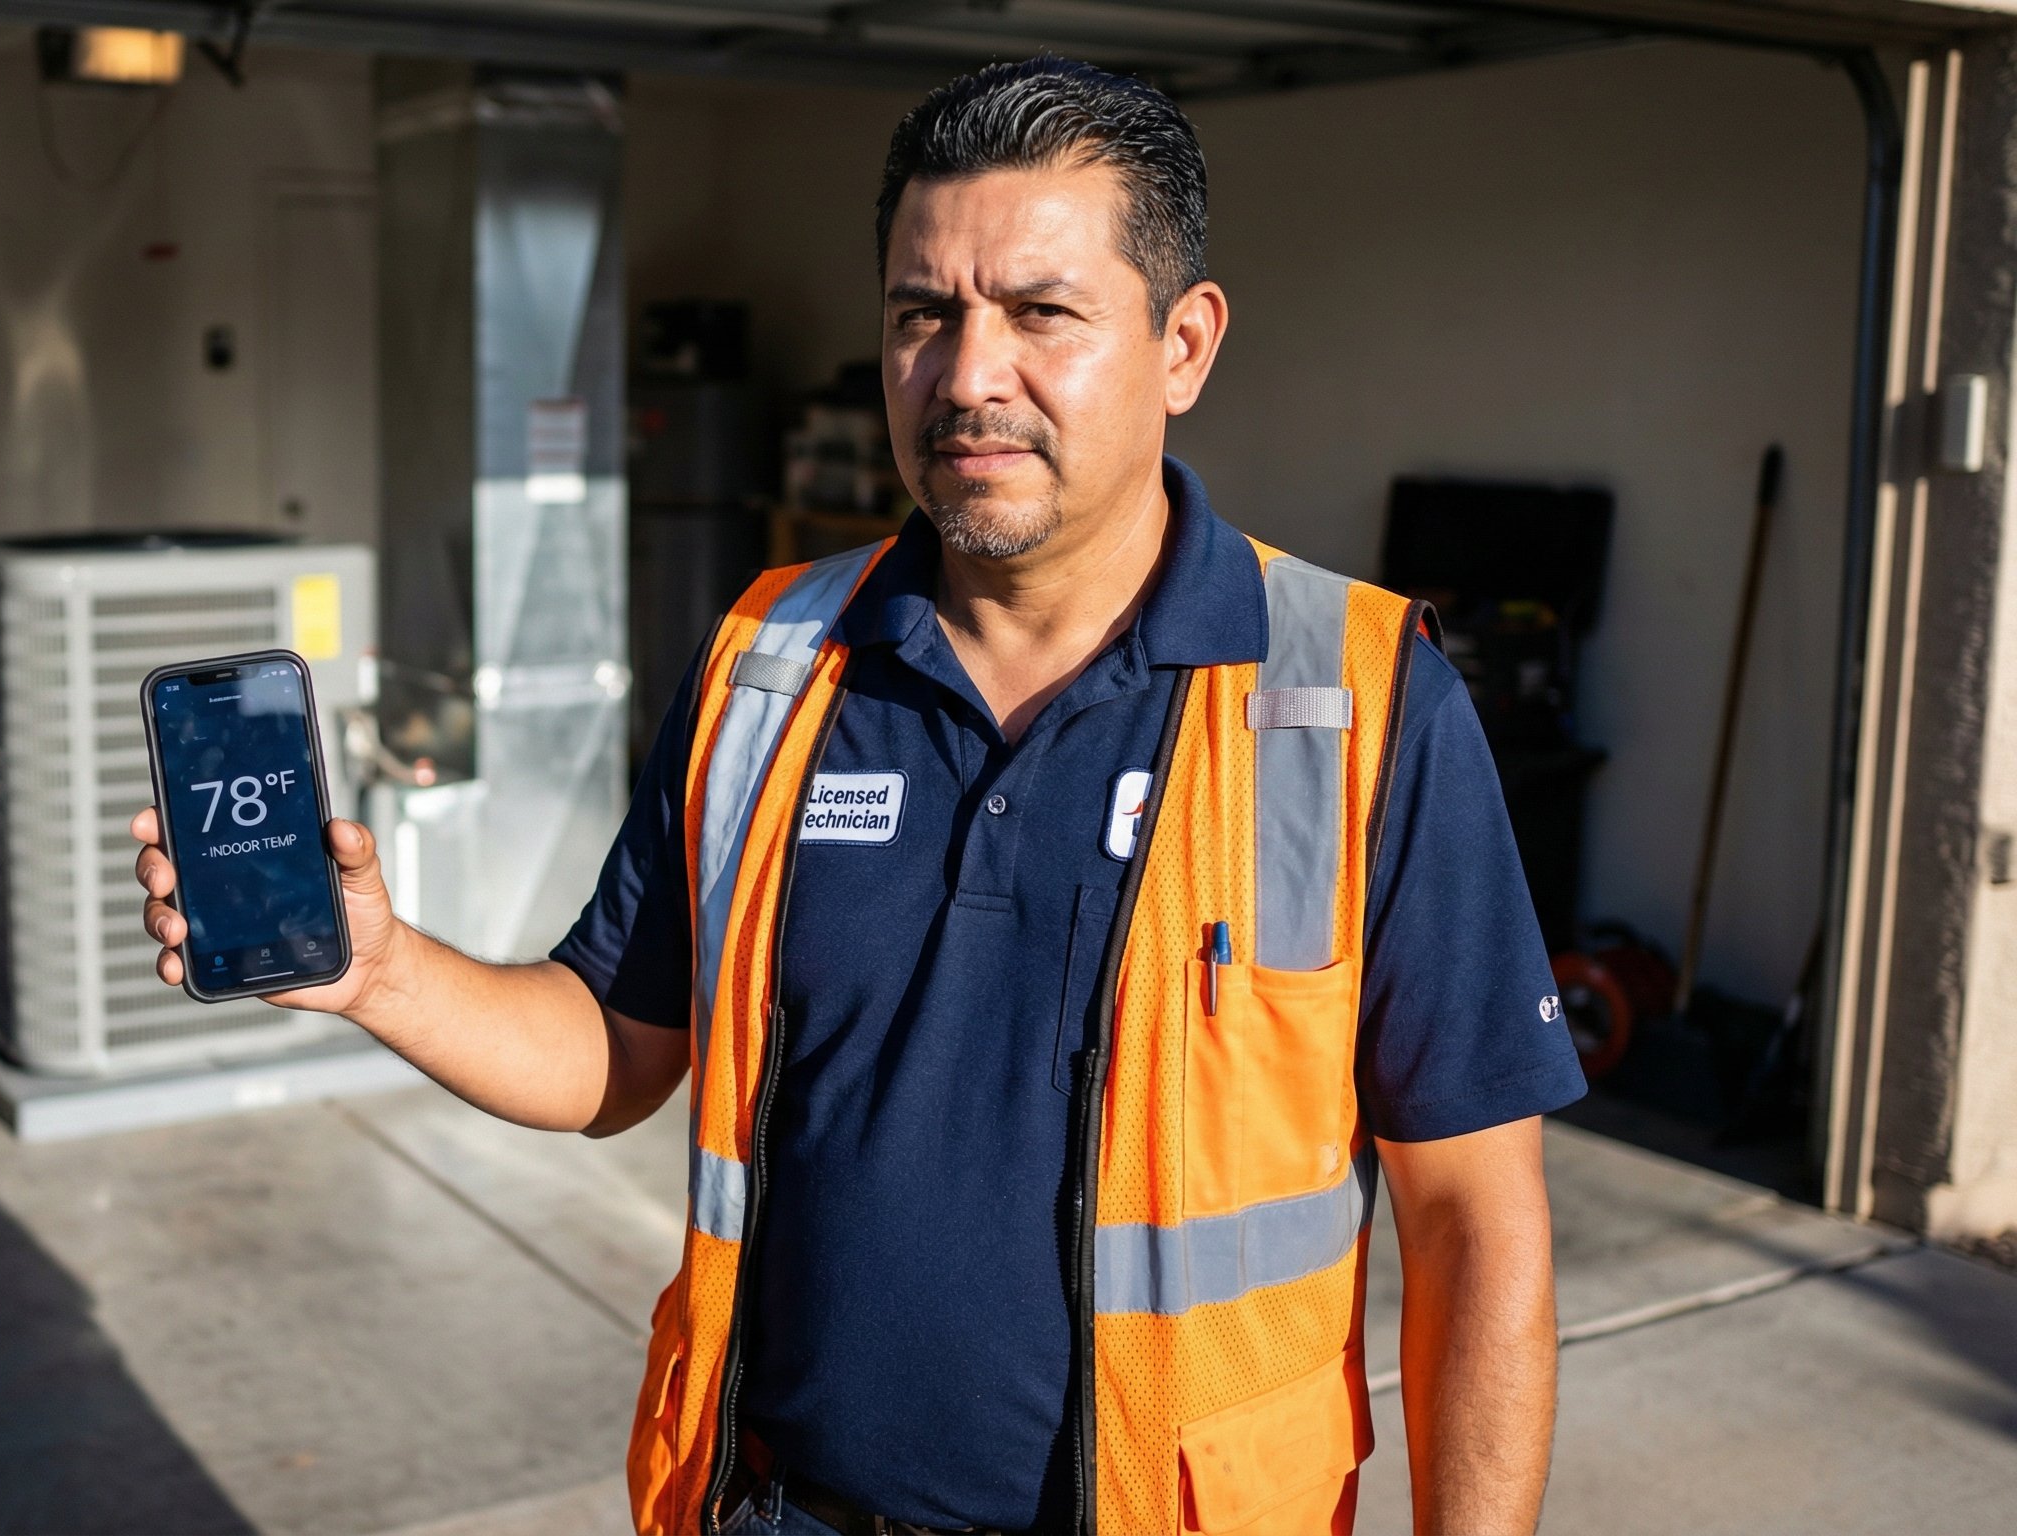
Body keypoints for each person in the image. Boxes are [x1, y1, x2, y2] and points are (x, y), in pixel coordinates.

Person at [133, 56, 1584, 1536]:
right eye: (922, 314)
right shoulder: (774, 663)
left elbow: (1474, 1220)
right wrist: (379, 969)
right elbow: (614, 1049)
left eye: (1042, 312)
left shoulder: (1355, 699)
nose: (966, 376)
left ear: (1184, 344)